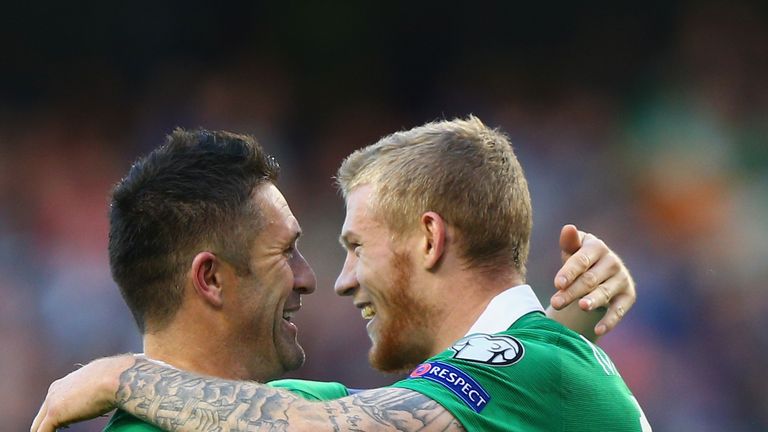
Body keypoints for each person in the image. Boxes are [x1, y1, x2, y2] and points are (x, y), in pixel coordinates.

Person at [32, 119, 646, 431]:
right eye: (290, 253)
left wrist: (123, 374)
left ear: (430, 238)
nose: (333, 279)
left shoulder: (535, 365)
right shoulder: (533, 369)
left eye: (354, 246)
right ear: (210, 279)